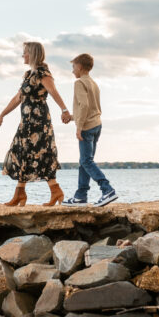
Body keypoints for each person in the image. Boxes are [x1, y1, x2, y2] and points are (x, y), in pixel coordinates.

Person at [0, 41, 70, 206]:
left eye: (25, 52)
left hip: (39, 123)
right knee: (21, 153)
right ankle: (26, 193)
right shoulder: (28, 75)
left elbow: (53, 91)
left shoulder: (43, 73)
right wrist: (2, 115)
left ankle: (44, 192)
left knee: (39, 153)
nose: (23, 55)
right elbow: (17, 98)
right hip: (26, 123)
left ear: (33, 54)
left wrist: (64, 110)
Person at [61, 53, 117, 207]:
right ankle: (80, 196)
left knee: (86, 161)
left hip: (86, 127)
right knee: (84, 162)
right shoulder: (93, 83)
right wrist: (72, 117)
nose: (72, 71)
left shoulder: (79, 83)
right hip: (96, 124)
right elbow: (90, 109)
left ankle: (107, 189)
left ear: (79, 67)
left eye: (73, 67)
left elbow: (84, 106)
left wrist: (78, 128)